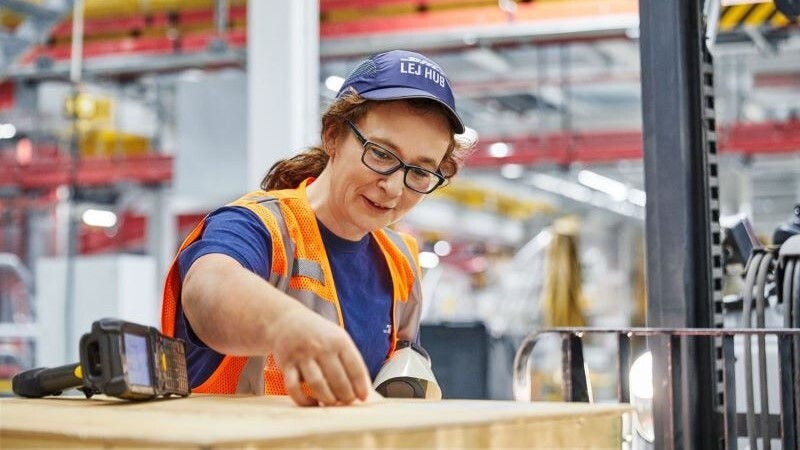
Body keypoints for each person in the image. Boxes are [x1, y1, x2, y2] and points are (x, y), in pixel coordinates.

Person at [161, 49, 472, 407]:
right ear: (333, 136)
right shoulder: (257, 227)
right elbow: (208, 290)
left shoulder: (400, 262)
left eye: (419, 171)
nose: (395, 188)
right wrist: (286, 325)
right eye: (382, 154)